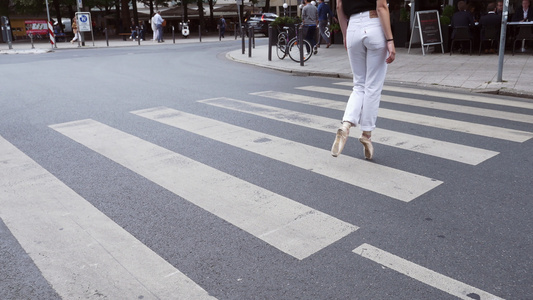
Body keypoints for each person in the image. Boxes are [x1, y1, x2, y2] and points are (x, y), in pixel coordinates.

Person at [330, 0, 395, 160]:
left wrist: (345, 35)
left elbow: (339, 7)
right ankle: (366, 135)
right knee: (372, 87)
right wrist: (390, 40)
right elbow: (381, 7)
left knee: (358, 85)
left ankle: (346, 125)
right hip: (373, 25)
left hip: (352, 28)